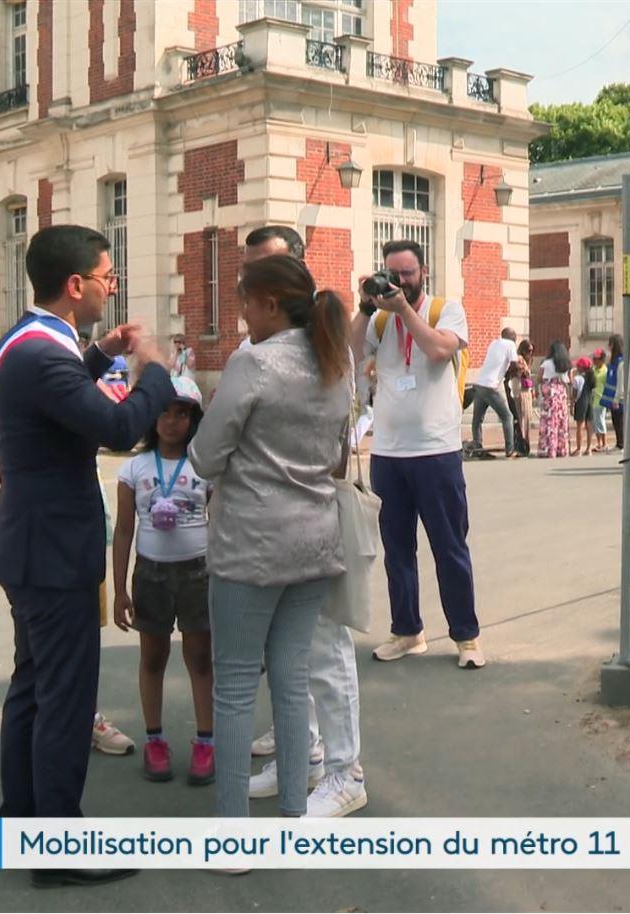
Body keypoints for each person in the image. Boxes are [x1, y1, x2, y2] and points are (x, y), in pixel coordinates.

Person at [0, 224, 173, 889]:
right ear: (75, 286)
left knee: (33, 690)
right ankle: (59, 844)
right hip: (55, 551)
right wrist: (155, 370)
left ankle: (24, 826)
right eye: (105, 277)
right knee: (63, 701)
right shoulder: (44, 356)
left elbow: (59, 392)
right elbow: (121, 428)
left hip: (29, 544)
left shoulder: (26, 340)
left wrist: (100, 353)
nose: (111, 286)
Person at [189, 254, 352, 821]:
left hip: (251, 544)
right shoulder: (335, 360)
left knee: (234, 687)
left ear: (270, 304)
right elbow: (338, 453)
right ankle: (291, 813)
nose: (242, 320)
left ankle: (234, 831)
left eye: (245, 307)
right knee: (289, 677)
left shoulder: (253, 364)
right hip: (315, 540)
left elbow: (206, 456)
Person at [239, 223, 367, 819]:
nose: (248, 293)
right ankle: (307, 754)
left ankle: (346, 770)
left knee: (323, 645)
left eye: (260, 277)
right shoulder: (256, 350)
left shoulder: (323, 352)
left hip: (309, 519)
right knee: (286, 650)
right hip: (266, 526)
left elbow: (334, 450)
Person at [351, 239, 484, 669]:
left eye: (407, 274)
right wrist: (365, 308)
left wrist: (403, 309)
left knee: (449, 547)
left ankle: (466, 637)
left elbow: (439, 349)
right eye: (392, 273)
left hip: (436, 450)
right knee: (397, 549)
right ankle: (407, 631)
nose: (399, 282)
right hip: (389, 453)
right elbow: (350, 354)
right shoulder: (379, 321)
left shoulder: (445, 309)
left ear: (422, 272)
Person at [112, 377, 214, 786]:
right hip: (150, 574)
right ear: (149, 418)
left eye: (182, 414)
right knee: (153, 657)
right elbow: (123, 531)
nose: (172, 422)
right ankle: (154, 739)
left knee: (200, 658)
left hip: (198, 574)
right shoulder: (133, 469)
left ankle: (206, 742)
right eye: (163, 412)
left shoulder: (205, 464)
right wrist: (119, 589)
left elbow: (221, 522)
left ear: (193, 419)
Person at [234, 225, 308, 356]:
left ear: (299, 269)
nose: (251, 282)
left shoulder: (329, 345)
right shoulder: (246, 350)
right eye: (248, 271)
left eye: (266, 269)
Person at [468, 328, 519, 457]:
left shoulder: (493, 343)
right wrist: (512, 373)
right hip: (491, 386)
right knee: (507, 416)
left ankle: (477, 447)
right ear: (513, 338)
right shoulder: (510, 344)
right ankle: (510, 450)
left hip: (479, 384)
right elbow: (514, 364)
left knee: (477, 419)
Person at [537, 341, 572, 459]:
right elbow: (567, 380)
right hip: (560, 392)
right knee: (561, 421)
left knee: (549, 421)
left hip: (549, 392)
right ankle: (561, 449)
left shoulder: (546, 363)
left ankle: (548, 449)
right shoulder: (564, 364)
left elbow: (539, 378)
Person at [504, 341, 533, 457]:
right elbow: (521, 372)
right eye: (529, 351)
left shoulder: (527, 360)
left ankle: (525, 444)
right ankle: (522, 444)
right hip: (520, 392)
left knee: (527, 418)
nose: (530, 354)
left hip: (526, 391)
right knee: (522, 418)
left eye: (532, 351)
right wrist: (525, 370)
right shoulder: (519, 358)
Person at [602, 334, 627, 450]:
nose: (608, 346)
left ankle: (621, 444)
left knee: (619, 422)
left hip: (618, 399)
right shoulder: (613, 361)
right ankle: (619, 443)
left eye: (610, 344)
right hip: (612, 398)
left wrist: (617, 399)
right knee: (615, 421)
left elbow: (621, 382)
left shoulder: (621, 362)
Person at [571, 356, 596, 456]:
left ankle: (578, 448)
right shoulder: (591, 378)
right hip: (590, 401)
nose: (576, 367)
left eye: (578, 365)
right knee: (589, 425)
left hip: (581, 402)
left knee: (579, 426)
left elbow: (574, 394)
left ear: (581, 367)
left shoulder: (578, 379)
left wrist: (571, 405)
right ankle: (588, 448)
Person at [590, 349, 609, 451]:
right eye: (593, 359)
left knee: (601, 421)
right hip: (593, 399)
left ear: (602, 360)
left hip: (601, 398)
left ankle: (605, 443)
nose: (594, 361)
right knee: (595, 422)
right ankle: (599, 443)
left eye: (596, 359)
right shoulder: (593, 370)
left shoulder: (605, 371)